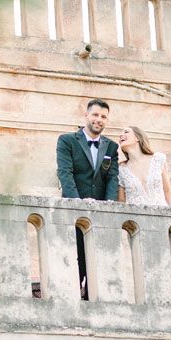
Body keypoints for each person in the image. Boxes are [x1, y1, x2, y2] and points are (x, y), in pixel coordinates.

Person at [56, 99, 120, 298]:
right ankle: (73, 295)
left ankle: (92, 296)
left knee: (98, 258)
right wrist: (77, 202)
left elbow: (112, 178)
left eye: (103, 117)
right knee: (75, 256)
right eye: (95, 115)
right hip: (73, 209)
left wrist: (109, 203)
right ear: (86, 115)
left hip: (100, 212)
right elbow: (65, 173)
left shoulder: (111, 147)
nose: (98, 119)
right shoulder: (67, 141)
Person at [117, 124, 171, 206]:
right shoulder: (121, 169)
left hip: (161, 215)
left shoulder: (158, 159)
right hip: (136, 217)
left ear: (137, 137)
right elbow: (121, 201)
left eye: (126, 132)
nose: (120, 135)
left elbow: (168, 192)